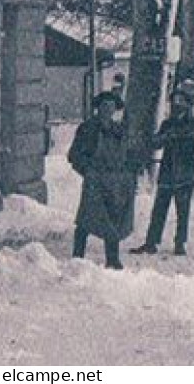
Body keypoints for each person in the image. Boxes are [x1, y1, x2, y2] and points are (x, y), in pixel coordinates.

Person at [69, 90, 140, 269]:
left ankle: (112, 259)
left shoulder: (119, 130)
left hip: (115, 181)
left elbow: (130, 154)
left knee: (113, 219)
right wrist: (87, 170)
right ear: (98, 108)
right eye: (104, 106)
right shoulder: (88, 129)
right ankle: (77, 257)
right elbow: (74, 155)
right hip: (95, 180)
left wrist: (130, 173)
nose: (107, 110)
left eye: (111, 107)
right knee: (86, 218)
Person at [132, 80, 194, 256]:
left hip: (185, 173)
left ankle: (180, 243)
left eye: (181, 101)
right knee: (159, 210)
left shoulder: (193, 123)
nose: (177, 105)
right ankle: (151, 242)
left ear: (188, 105)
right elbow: (156, 142)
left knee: (182, 211)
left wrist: (167, 136)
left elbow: (180, 136)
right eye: (176, 101)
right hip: (168, 172)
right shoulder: (167, 124)